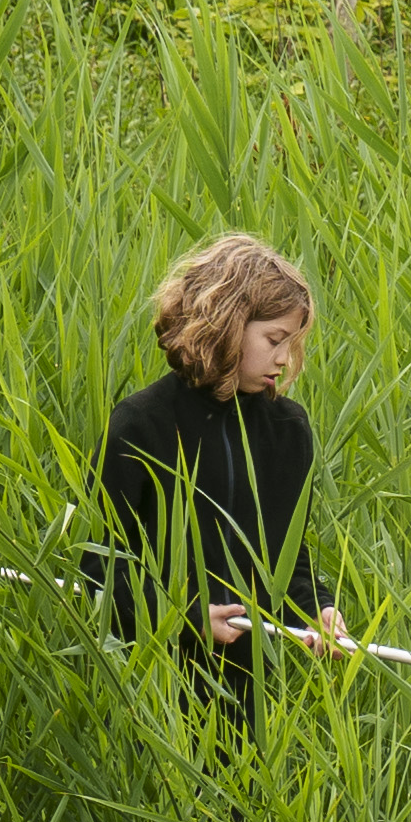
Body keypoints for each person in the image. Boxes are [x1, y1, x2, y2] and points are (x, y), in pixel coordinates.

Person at [101, 231, 349, 716]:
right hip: (151, 683)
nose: (285, 358)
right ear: (226, 324)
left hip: (251, 687)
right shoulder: (141, 424)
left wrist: (317, 609)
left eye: (292, 342)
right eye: (275, 340)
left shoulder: (288, 430)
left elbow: (287, 558)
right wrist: (184, 619)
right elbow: (98, 565)